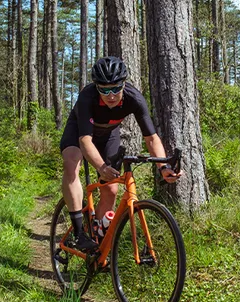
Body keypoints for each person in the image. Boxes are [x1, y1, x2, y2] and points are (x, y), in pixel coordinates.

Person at [60, 56, 182, 252]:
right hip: (80, 132)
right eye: (104, 89)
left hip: (108, 134)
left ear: (124, 84)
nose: (111, 95)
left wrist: (163, 167)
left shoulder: (134, 98)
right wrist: (101, 167)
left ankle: (99, 242)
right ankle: (79, 233)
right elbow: (84, 141)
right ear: (96, 87)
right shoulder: (87, 97)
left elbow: (151, 137)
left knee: (111, 189)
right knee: (72, 162)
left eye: (116, 88)